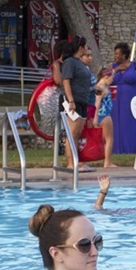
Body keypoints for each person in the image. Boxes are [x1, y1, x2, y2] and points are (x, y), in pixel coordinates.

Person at [59, 39, 94, 171]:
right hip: (72, 101)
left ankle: (76, 161)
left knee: (78, 132)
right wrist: (71, 100)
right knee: (72, 133)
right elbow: (66, 81)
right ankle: (70, 163)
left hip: (82, 100)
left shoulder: (79, 63)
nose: (86, 49)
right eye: (84, 46)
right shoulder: (69, 62)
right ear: (79, 48)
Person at [109, 42, 136, 156]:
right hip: (115, 100)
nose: (115, 56)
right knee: (115, 123)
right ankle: (115, 149)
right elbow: (106, 80)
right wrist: (116, 69)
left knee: (130, 123)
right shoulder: (113, 67)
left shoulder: (135, 66)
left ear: (124, 55)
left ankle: (131, 149)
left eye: (118, 54)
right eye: (115, 54)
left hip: (131, 98)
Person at [93, 64, 115, 168]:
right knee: (109, 139)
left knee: (102, 139)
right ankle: (107, 162)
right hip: (104, 115)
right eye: (112, 77)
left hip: (101, 115)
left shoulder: (99, 86)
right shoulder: (101, 88)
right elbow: (97, 103)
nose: (112, 80)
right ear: (106, 76)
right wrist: (95, 117)